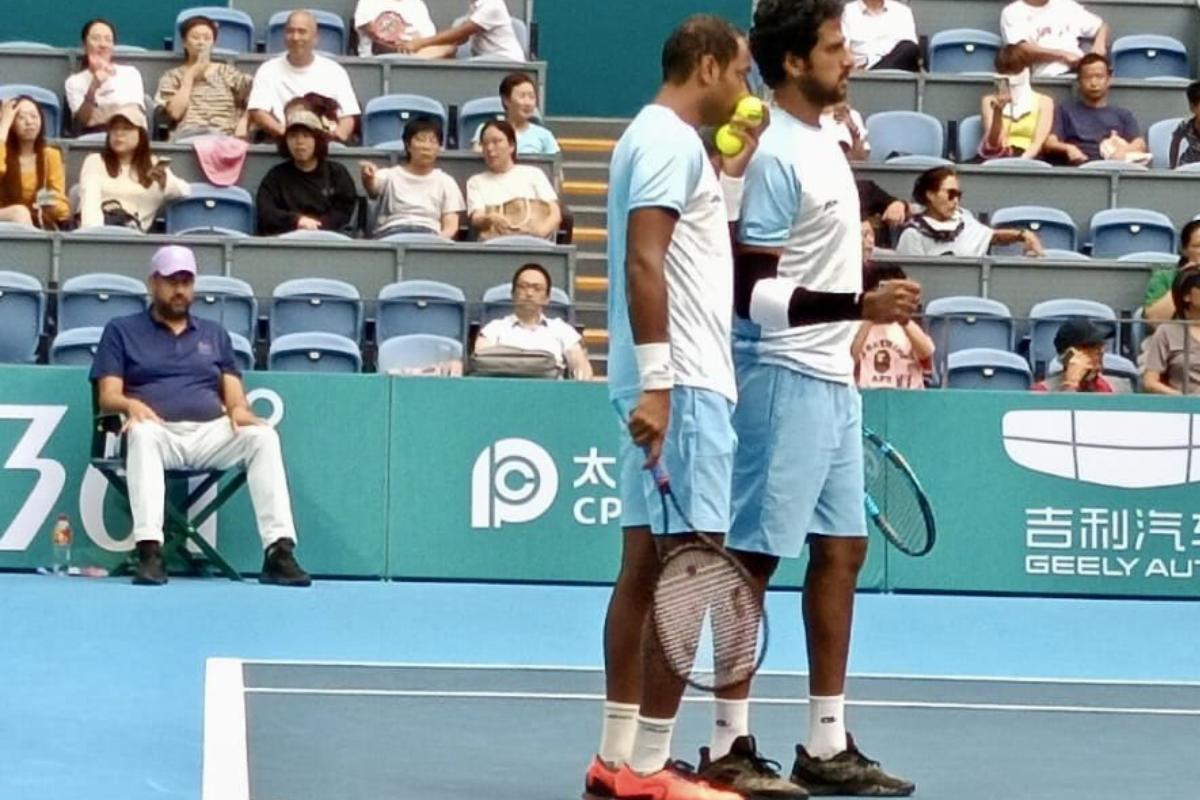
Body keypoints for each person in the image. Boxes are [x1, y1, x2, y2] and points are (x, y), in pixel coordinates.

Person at [586, 15, 791, 800]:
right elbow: (646, 259)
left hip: (672, 381)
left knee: (643, 567)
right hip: (690, 384)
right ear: (706, 65)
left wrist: (734, 158)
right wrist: (664, 383)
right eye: (740, 71)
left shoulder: (658, 140)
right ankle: (649, 769)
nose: (746, 88)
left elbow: (692, 235)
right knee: (691, 575)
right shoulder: (669, 143)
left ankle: (613, 759)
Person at [719, 0, 921, 794]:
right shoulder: (776, 157)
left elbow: (816, 268)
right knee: (755, 562)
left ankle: (825, 743)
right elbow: (753, 292)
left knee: (843, 552)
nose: (850, 58)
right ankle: (729, 745)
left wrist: (872, 290)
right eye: (836, 47)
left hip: (834, 378)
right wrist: (857, 307)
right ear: (796, 63)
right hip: (780, 373)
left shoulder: (830, 140)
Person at [90, 245, 311, 587]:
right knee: (143, 434)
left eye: (186, 281)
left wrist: (239, 411)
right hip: (157, 431)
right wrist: (131, 406)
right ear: (153, 283)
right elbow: (108, 396)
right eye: (171, 281)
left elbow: (234, 395)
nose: (179, 290)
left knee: (263, 438)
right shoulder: (122, 330)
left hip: (210, 433)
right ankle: (149, 549)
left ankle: (278, 552)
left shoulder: (215, 334)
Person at [247, 10, 361, 143]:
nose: (295, 37)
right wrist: (289, 136)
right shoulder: (267, 70)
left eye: (302, 32)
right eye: (290, 31)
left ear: (315, 37)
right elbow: (258, 112)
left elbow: (348, 116)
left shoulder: (335, 71)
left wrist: (335, 138)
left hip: (326, 144)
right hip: (282, 141)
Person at [77, 105, 190, 232]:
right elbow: (90, 205)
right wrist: (97, 236)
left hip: (137, 238)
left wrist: (165, 182)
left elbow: (184, 191)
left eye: (127, 128)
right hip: (102, 233)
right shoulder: (95, 161)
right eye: (114, 128)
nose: (119, 133)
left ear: (141, 134)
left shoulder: (153, 164)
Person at [256, 97, 358, 236]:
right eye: (293, 136)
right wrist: (296, 221)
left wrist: (317, 227)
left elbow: (344, 209)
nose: (299, 142)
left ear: (318, 140)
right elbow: (266, 211)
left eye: (306, 136)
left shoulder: (337, 173)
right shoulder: (275, 176)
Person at [475, 263, 593, 379]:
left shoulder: (561, 329)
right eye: (523, 286)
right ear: (513, 294)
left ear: (547, 298)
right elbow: (480, 364)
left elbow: (579, 362)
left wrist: (582, 372)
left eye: (537, 288)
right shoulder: (493, 329)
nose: (529, 293)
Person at [895, 167, 1044, 257]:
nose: (955, 201)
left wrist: (1023, 235)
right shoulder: (913, 235)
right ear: (930, 195)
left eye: (958, 195)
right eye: (950, 194)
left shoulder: (964, 219)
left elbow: (991, 237)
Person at [155, 15, 254, 141]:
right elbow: (175, 113)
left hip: (225, 137)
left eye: (207, 38)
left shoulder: (227, 72)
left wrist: (244, 121)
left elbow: (258, 95)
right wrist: (190, 75)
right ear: (184, 42)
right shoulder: (172, 76)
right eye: (195, 37)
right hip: (187, 138)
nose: (201, 42)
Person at [362, 118, 463, 238]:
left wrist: (435, 246)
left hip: (430, 235)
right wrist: (368, 177)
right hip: (392, 233)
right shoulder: (390, 175)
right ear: (408, 145)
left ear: (438, 149)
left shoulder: (446, 181)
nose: (426, 146)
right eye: (420, 140)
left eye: (432, 141)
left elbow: (451, 226)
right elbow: (372, 188)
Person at [466, 119, 561, 241]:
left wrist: (539, 233)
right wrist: (490, 218)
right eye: (485, 143)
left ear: (511, 146)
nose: (490, 148)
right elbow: (476, 217)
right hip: (494, 245)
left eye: (496, 142)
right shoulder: (475, 182)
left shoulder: (534, 174)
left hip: (533, 242)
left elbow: (554, 212)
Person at [1043, 54, 1145, 165]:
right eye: (1088, 77)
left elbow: (1139, 143)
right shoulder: (1065, 110)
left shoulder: (1123, 114)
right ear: (1079, 82)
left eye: (1099, 77)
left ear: (1108, 80)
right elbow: (1050, 143)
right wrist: (1068, 148)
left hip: (1112, 167)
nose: (1094, 83)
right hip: (1077, 168)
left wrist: (1122, 151)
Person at [853, 264, 933, 390]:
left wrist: (903, 319)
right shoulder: (857, 327)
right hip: (867, 396)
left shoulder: (908, 328)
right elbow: (851, 358)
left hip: (905, 397)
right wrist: (871, 315)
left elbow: (926, 354)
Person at [65, 18, 146, 135]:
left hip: (129, 136)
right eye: (96, 39)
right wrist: (93, 88)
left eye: (108, 40)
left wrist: (98, 116)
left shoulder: (131, 73)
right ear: (84, 45)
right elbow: (80, 125)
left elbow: (135, 116)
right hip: (94, 138)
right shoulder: (74, 82)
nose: (103, 45)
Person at [0, 97, 70, 229]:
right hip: (5, 214)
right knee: (19, 212)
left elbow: (63, 209)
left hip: (37, 220)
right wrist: (3, 127)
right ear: (11, 124)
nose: (29, 122)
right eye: (21, 118)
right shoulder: (2, 150)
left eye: (34, 116)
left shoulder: (50, 155)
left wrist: (51, 205)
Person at [978, 45, 1054, 161]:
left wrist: (1021, 162)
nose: (1011, 78)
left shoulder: (1045, 102)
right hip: (999, 156)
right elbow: (993, 143)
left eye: (1015, 72)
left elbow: (1037, 144)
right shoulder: (988, 101)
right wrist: (998, 111)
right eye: (1006, 73)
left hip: (1030, 157)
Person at [1000, 0, 1110, 78]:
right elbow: (1022, 49)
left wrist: (1099, 45)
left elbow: (1101, 26)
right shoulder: (1012, 12)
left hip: (1080, 74)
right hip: (1045, 77)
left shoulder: (1066, 5)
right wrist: (1062, 55)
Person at [395, 0, 525, 61]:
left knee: (468, 68)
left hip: (506, 60)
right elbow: (461, 38)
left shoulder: (493, 5)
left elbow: (461, 32)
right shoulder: (475, 6)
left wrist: (420, 43)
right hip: (487, 59)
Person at [471, 72, 560, 155]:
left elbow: (555, 169)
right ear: (506, 100)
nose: (528, 103)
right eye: (522, 96)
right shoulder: (487, 130)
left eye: (532, 97)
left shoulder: (544, 135)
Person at [1144, 266, 1200, 395]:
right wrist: (1180, 398)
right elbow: (1150, 381)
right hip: (1184, 408)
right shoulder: (1166, 332)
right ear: (1186, 296)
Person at [1031, 319, 1115, 392]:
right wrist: (1071, 385)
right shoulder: (1043, 391)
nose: (1101, 350)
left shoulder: (1107, 387)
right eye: (1091, 346)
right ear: (1070, 356)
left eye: (1100, 344)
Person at [841, 0, 920, 72]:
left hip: (898, 74)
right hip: (862, 74)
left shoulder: (903, 12)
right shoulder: (847, 12)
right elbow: (844, 51)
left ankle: (875, 76)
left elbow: (910, 51)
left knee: (908, 47)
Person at [1144, 221, 1200, 322]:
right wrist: (1183, 279)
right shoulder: (1165, 277)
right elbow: (1155, 321)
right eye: (1198, 246)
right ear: (1184, 250)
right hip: (1177, 335)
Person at [353, 0, 438, 56]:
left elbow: (428, 39)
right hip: (377, 63)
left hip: (415, 63)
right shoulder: (369, 2)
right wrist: (401, 49)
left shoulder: (417, 4)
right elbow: (376, 43)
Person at [1168, 80, 1200, 169]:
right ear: (1192, 107)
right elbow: (1175, 142)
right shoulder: (1185, 125)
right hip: (1188, 166)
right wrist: (1172, 166)